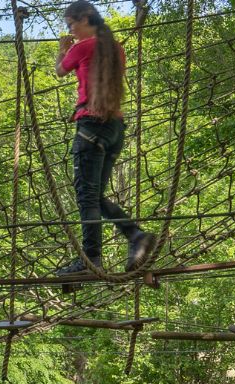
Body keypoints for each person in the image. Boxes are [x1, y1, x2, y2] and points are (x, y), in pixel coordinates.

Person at [56, 0, 159, 275]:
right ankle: (136, 235)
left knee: (86, 199)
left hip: (91, 128)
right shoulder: (116, 48)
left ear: (87, 17)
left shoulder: (82, 47)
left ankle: (91, 260)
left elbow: (61, 70)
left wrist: (62, 50)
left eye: (72, 24)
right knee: (95, 196)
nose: (71, 30)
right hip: (114, 127)